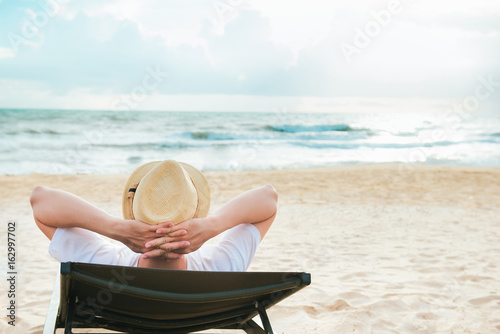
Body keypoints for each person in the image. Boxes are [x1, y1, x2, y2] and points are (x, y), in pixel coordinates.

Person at [30, 160, 277, 272]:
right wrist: (212, 226)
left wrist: (116, 228)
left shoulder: (101, 262)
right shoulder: (222, 266)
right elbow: (269, 198)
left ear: (134, 214)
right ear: (195, 215)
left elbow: (40, 200)